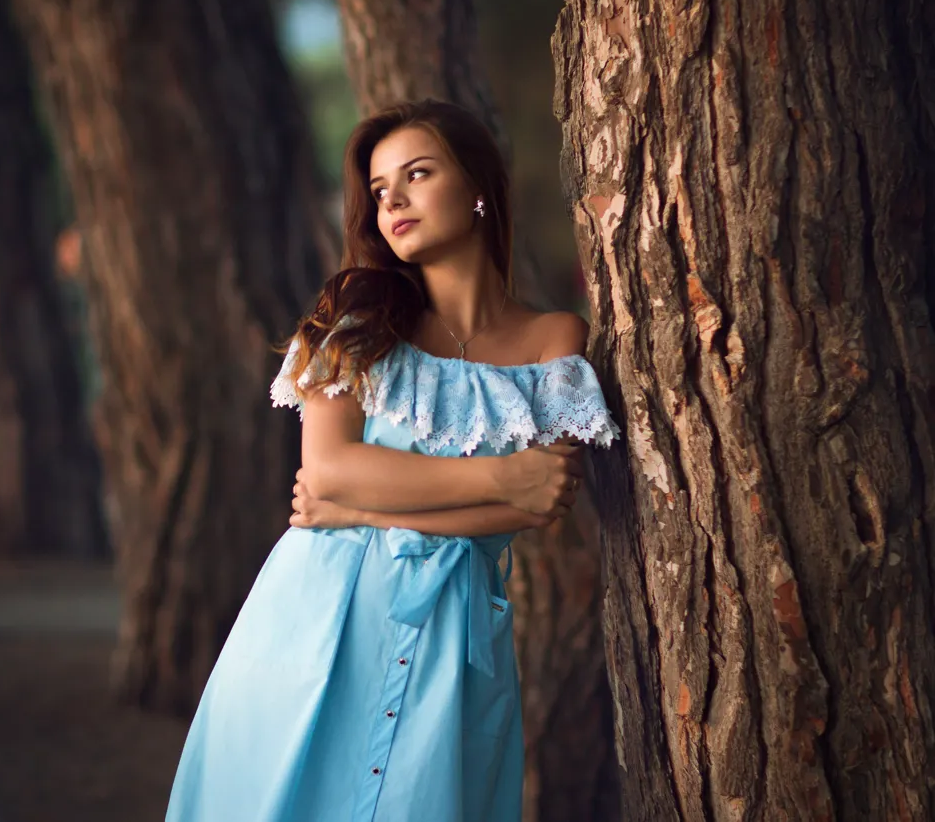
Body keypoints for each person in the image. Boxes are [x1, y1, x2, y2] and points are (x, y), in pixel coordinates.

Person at [165, 99, 621, 821]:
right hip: (317, 618)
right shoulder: (354, 322)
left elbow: (543, 500)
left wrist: (353, 507)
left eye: (417, 174)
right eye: (380, 190)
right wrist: (498, 474)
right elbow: (331, 471)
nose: (394, 200)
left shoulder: (553, 338)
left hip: (456, 638)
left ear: (477, 189)